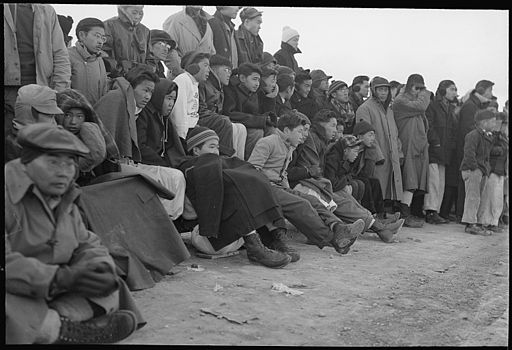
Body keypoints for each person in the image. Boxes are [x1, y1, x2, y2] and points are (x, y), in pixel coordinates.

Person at [5, 123, 144, 344]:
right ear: (27, 163)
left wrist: (99, 267)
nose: (63, 172)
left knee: (108, 283)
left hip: (52, 290)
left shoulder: (63, 195)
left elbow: (86, 243)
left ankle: (58, 326)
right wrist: (61, 279)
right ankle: (65, 330)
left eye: (69, 163)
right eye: (53, 162)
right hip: (19, 285)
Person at [248, 111, 366, 254]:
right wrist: (277, 188)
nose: (302, 135)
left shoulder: (288, 146)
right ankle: (332, 239)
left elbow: (282, 173)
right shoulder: (268, 142)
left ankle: (339, 227)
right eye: (299, 131)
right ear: (286, 130)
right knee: (302, 205)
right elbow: (252, 170)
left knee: (312, 200)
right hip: (266, 188)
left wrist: (289, 191)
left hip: (279, 187)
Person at [178, 126, 294, 268]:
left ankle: (275, 236)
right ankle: (255, 248)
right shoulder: (192, 169)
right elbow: (191, 215)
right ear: (196, 150)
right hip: (208, 238)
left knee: (253, 180)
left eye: (217, 148)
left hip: (234, 236)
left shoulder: (218, 164)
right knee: (233, 190)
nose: (215, 152)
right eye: (211, 147)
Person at [288, 109, 404, 243]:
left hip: (312, 181)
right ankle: (377, 227)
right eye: (332, 125)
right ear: (320, 124)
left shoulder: (318, 140)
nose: (335, 130)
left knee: (344, 194)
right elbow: (313, 170)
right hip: (305, 183)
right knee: (337, 197)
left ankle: (377, 226)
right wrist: (313, 175)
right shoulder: (312, 139)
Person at [94, 66, 186, 220]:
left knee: (175, 178)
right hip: (108, 166)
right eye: (145, 90)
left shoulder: (133, 107)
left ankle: (169, 224)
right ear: (132, 86)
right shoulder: (115, 98)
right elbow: (104, 141)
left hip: (125, 162)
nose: (148, 96)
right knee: (151, 181)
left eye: (151, 92)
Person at [4, 3, 71, 137]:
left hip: (41, 88)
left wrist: (59, 90)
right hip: (8, 89)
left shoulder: (47, 10)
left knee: (41, 139)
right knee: (9, 141)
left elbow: (60, 53)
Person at [356, 77, 404, 213]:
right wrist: (377, 156)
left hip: (391, 157)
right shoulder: (365, 108)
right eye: (380, 89)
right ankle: (376, 218)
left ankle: (385, 216)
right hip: (374, 158)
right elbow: (365, 134)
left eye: (385, 90)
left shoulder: (389, 110)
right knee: (376, 189)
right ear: (373, 90)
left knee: (389, 189)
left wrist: (399, 153)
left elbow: (395, 135)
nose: (383, 93)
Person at [56, 89, 121, 186]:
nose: (73, 122)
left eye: (79, 116)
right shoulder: (54, 137)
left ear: (86, 118)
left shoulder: (89, 133)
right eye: (68, 115)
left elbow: (97, 156)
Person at [392, 74, 432, 228]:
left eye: (422, 88)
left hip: (417, 149)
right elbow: (421, 106)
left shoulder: (413, 102)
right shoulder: (401, 101)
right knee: (408, 180)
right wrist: (425, 92)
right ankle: (403, 214)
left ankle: (405, 213)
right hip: (407, 148)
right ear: (409, 87)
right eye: (417, 88)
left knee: (413, 182)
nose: (420, 92)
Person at [455, 80, 494, 222]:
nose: (491, 94)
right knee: (471, 196)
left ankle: (472, 220)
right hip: (472, 166)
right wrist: (474, 167)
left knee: (476, 196)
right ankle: (468, 221)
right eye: (490, 91)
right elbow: (468, 137)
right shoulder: (471, 107)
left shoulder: (476, 106)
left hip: (478, 167)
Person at [223, 63, 277, 159]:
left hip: (250, 123)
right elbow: (229, 113)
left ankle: (265, 163)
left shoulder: (255, 92)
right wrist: (259, 120)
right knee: (257, 133)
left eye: (259, 80)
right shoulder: (231, 90)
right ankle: (250, 164)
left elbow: (259, 112)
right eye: (254, 79)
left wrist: (271, 99)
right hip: (237, 124)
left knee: (272, 130)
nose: (257, 83)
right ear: (243, 78)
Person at [423, 80, 458, 224]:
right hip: (434, 150)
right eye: (452, 89)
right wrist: (435, 142)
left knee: (441, 182)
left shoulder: (450, 108)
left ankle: (435, 211)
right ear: (443, 90)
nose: (455, 92)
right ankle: (430, 212)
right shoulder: (433, 106)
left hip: (445, 151)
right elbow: (429, 125)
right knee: (433, 181)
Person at [198, 54, 246, 159]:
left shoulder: (220, 87)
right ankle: (226, 158)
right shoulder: (204, 84)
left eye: (230, 71)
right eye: (226, 70)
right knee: (226, 122)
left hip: (214, 120)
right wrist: (220, 119)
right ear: (214, 69)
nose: (229, 74)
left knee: (241, 128)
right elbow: (201, 110)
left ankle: (237, 160)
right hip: (202, 122)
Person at [460, 109, 496, 235]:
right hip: (473, 170)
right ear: (484, 122)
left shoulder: (486, 136)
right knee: (473, 197)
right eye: (492, 121)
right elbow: (469, 153)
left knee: (479, 197)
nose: (494, 124)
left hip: (481, 170)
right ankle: (470, 224)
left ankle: (476, 222)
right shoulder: (473, 135)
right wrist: (475, 168)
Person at [136, 78, 186, 167]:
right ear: (158, 96)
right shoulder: (144, 115)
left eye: (174, 99)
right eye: (169, 98)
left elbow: (171, 145)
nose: (171, 104)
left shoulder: (164, 118)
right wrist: (164, 164)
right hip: (146, 163)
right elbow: (140, 147)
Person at [5, 85, 62, 164]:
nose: (54, 122)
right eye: (49, 116)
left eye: (54, 117)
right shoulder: (14, 147)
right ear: (31, 114)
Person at [478, 111, 508, 232]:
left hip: (500, 171)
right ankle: (486, 221)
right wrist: (498, 150)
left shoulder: (502, 137)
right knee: (489, 198)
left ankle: (493, 222)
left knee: (497, 199)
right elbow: (487, 150)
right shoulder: (492, 136)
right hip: (492, 170)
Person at [68, 18, 109, 106]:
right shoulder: (67, 56)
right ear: (82, 35)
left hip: (96, 113)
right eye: (97, 36)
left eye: (103, 38)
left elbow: (104, 90)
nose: (100, 42)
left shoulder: (99, 59)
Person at [171, 50, 211, 141]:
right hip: (185, 132)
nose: (209, 70)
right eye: (205, 65)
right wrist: (182, 137)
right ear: (193, 66)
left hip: (193, 128)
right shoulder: (183, 80)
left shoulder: (194, 83)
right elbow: (179, 111)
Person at [103, 5, 151, 77]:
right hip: (116, 78)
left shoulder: (145, 31)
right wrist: (120, 71)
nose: (137, 16)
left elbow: (150, 58)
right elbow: (104, 53)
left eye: (140, 13)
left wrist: (146, 74)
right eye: (134, 13)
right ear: (123, 10)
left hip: (140, 80)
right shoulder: (109, 25)